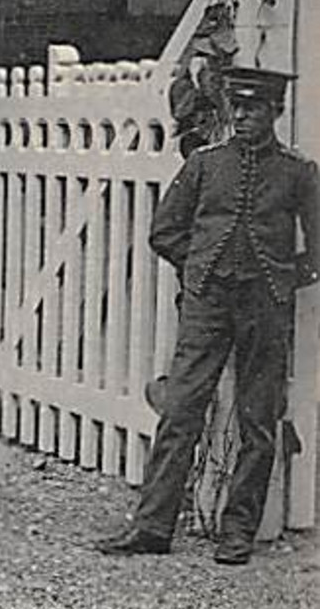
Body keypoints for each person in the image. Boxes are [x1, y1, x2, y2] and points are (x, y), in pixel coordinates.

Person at [99, 67, 319, 565]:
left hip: (266, 305)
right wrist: (198, 272)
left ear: (275, 113)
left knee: (258, 418)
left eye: (254, 109)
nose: (241, 116)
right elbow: (165, 231)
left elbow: (319, 248)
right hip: (208, 303)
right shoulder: (204, 164)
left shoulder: (297, 172)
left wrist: (285, 278)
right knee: (180, 411)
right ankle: (153, 526)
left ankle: (237, 531)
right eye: (236, 107)